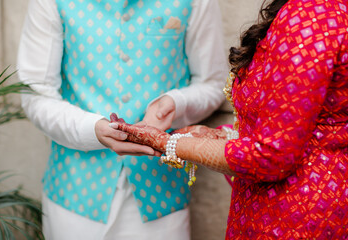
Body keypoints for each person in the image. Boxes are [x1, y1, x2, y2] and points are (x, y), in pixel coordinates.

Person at [114, 0, 348, 238]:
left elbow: (271, 155)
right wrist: (223, 135)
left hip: (293, 219)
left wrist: (167, 143)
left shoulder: (311, 15)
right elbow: (312, 126)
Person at [17, 0, 228, 239]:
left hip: (162, 192)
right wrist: (91, 129)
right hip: (74, 193)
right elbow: (36, 93)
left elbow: (212, 83)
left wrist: (176, 103)